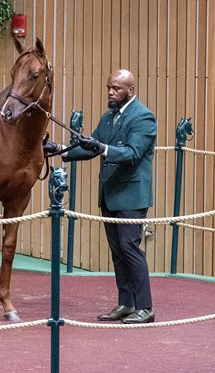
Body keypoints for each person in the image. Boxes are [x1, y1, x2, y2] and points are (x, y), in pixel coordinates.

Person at [46, 69, 157, 324]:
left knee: (130, 249)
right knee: (118, 251)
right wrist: (60, 150)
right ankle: (126, 303)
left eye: (116, 88)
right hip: (109, 195)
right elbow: (91, 146)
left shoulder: (143, 117)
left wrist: (102, 148)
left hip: (131, 196)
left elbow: (132, 154)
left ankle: (146, 307)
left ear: (130, 90)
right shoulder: (108, 118)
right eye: (109, 87)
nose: (110, 92)